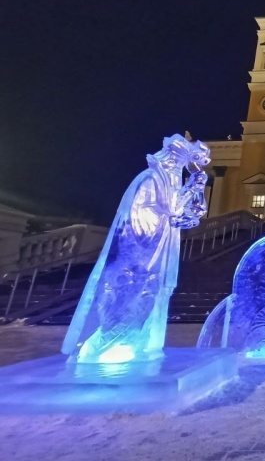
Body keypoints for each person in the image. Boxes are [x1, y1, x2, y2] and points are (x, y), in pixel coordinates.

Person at [62, 135, 210, 364]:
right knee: (127, 298)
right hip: (137, 255)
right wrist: (190, 190)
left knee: (149, 296)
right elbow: (161, 213)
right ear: (169, 159)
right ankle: (104, 348)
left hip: (156, 253)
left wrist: (193, 195)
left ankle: (138, 346)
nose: (178, 169)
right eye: (178, 163)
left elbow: (176, 214)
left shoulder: (167, 181)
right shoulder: (151, 179)